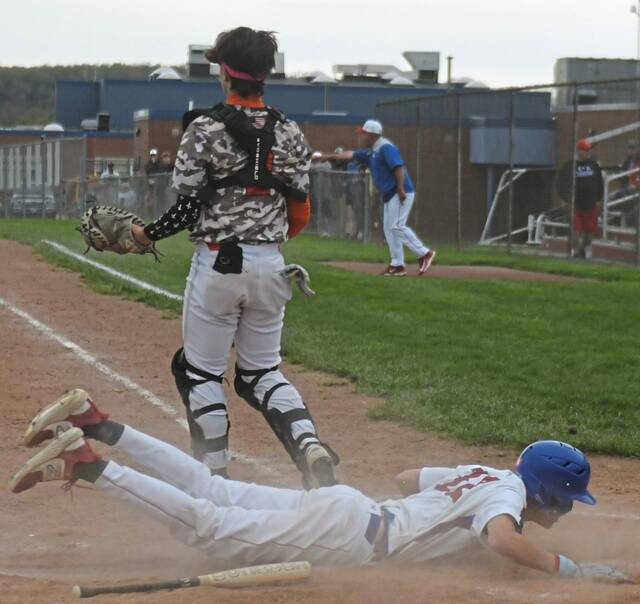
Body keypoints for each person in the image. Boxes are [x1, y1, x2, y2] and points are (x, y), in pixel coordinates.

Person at [8, 388, 627, 582]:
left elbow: (408, 477)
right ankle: (91, 462)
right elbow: (500, 540)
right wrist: (565, 568)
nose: (566, 513)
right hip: (353, 536)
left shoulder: (493, 474)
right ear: (545, 493)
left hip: (350, 509)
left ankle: (100, 422)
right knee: (211, 528)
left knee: (213, 490)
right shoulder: (507, 500)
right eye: (566, 503)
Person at [126, 27, 337, 488]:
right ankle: (308, 445)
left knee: (199, 371)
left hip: (220, 263)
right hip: (274, 265)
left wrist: (146, 234)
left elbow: (186, 208)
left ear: (224, 72)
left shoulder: (204, 128)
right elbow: (300, 211)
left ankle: (214, 478)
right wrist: (269, 237)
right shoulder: (290, 130)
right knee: (261, 372)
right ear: (264, 74)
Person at [315, 120, 435, 277]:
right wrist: (325, 156)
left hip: (400, 192)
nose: (362, 135)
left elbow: (398, 167)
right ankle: (397, 265)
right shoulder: (372, 151)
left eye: (363, 133)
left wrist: (400, 189)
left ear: (371, 134)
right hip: (390, 193)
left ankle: (424, 253)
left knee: (396, 226)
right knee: (389, 229)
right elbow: (349, 155)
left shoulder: (386, 147)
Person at [555, 139, 604, 260]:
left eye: (588, 150)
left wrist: (599, 198)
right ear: (578, 151)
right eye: (584, 150)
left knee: (589, 232)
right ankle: (575, 250)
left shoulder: (594, 165)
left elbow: (599, 183)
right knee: (575, 229)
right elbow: (560, 182)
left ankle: (585, 248)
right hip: (574, 203)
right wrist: (563, 198)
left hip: (591, 203)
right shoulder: (569, 165)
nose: (586, 152)